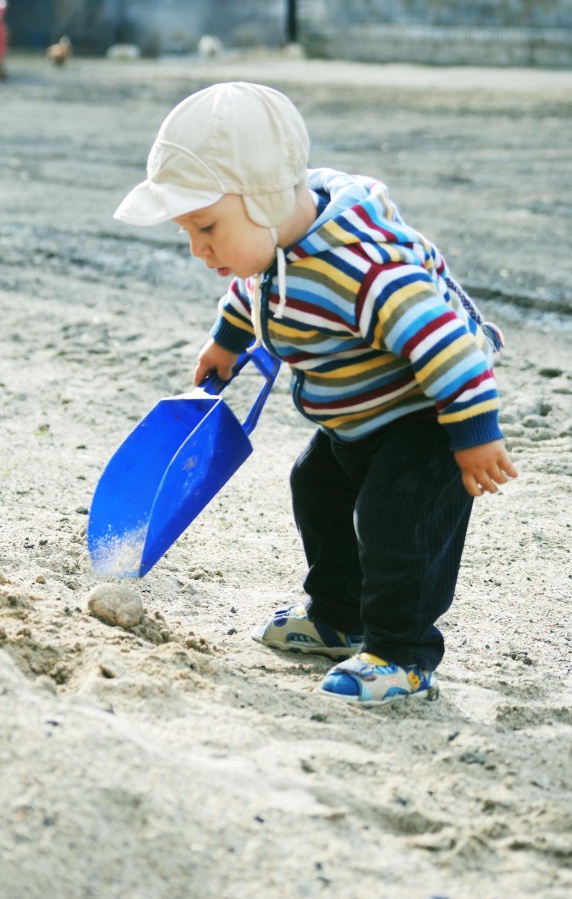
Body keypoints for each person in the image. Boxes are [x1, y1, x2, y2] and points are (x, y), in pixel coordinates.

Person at [114, 81, 518, 706]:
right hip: (356, 422)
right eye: (188, 232)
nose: (198, 249)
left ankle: (401, 655)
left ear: (267, 198)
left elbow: (446, 345)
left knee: (395, 524)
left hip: (424, 420)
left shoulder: (362, 270)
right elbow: (254, 291)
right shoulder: (273, 246)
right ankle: (337, 618)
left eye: (206, 227)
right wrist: (227, 338)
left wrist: (472, 435)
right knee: (316, 486)